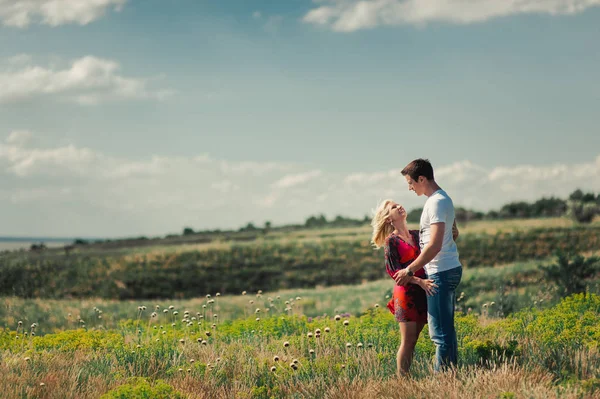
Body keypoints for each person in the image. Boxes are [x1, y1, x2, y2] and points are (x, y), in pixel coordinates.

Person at [393, 158, 462, 372]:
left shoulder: (437, 201)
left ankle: (443, 380)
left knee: (440, 333)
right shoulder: (439, 200)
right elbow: (451, 234)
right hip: (443, 269)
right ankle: (450, 375)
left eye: (411, 183)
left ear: (422, 178)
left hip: (441, 271)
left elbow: (434, 245)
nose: (409, 187)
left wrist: (409, 269)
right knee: (444, 331)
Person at [371, 199, 438, 376]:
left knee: (414, 339)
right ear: (388, 219)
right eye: (394, 207)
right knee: (407, 341)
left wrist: (453, 232)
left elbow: (436, 244)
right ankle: (402, 381)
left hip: (424, 290)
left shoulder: (417, 235)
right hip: (406, 294)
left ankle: (407, 376)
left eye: (399, 204)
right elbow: (394, 272)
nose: (399, 206)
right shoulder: (391, 241)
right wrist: (419, 281)